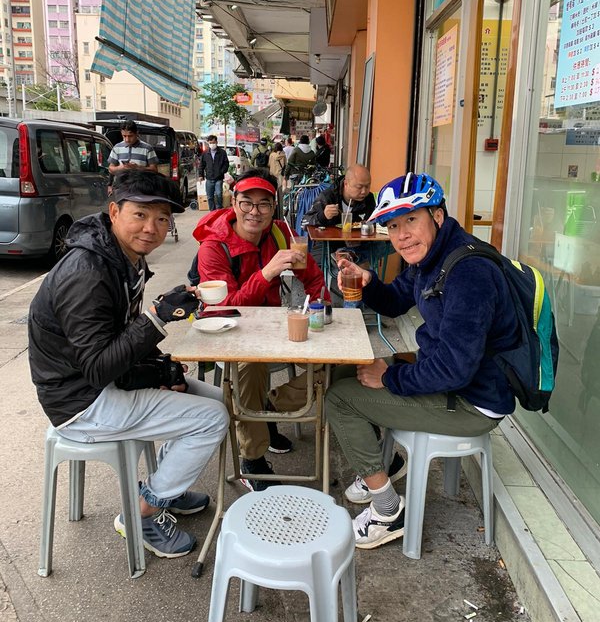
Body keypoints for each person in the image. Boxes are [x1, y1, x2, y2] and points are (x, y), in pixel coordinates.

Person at [28, 170, 229, 558]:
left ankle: (167, 485)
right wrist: (157, 317)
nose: (151, 228)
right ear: (114, 211)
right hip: (79, 402)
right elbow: (98, 368)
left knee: (215, 399)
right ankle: (144, 512)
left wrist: (160, 367)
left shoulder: (121, 256)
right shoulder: (87, 272)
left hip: (100, 383)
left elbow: (116, 335)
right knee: (211, 419)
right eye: (140, 214)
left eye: (161, 218)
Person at [325, 172, 519, 550]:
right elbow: (396, 301)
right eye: (393, 226)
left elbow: (454, 368)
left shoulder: (468, 272)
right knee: (348, 371)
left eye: (411, 220)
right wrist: (368, 280)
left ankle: (388, 512)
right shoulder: (431, 257)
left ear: (438, 216)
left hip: (472, 401)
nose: (402, 235)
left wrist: (390, 377)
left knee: (339, 399)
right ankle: (384, 465)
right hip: (456, 380)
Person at [193, 167, 331, 490]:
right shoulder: (214, 247)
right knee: (251, 367)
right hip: (229, 331)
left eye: (264, 204)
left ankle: (268, 407)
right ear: (233, 203)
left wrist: (321, 307)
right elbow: (225, 308)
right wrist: (267, 272)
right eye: (247, 203)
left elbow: (312, 277)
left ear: (274, 207)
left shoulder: (281, 234)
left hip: (274, 326)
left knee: (334, 362)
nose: (254, 212)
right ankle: (252, 458)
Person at [199, 134, 229, 210]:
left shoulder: (222, 153)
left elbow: (226, 164)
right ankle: (212, 211)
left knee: (219, 194)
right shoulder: (205, 153)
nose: (212, 144)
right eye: (210, 143)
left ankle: (219, 209)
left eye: (213, 142)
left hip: (218, 178)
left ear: (216, 142)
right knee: (209, 197)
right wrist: (201, 175)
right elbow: (202, 165)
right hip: (209, 178)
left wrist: (221, 171)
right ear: (208, 143)